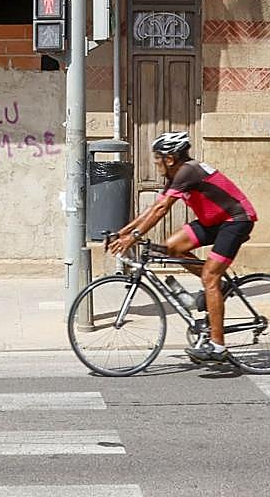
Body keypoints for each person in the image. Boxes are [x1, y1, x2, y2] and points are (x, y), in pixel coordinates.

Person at [109, 130, 257, 364]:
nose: (156, 163)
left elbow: (161, 210)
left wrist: (134, 236)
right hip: (215, 220)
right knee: (172, 247)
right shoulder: (178, 173)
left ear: (170, 158)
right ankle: (217, 287)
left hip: (236, 220)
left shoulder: (187, 171)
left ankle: (218, 347)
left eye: (158, 158)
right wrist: (124, 232)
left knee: (209, 276)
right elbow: (154, 207)